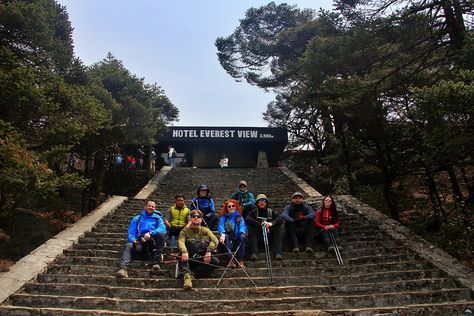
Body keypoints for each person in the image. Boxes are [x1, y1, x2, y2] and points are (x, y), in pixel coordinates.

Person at [116, 200, 166, 278]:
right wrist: (133, 240)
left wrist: (150, 233)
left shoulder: (158, 218)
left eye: (153, 206)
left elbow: (162, 229)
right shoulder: (137, 218)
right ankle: (123, 269)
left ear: (155, 208)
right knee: (129, 245)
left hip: (152, 244)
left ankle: (157, 261)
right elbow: (131, 232)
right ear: (145, 207)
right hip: (140, 243)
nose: (151, 208)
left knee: (161, 234)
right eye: (149, 206)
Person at [178, 209, 219, 290]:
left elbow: (215, 240)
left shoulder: (205, 230)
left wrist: (209, 251)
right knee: (181, 255)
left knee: (215, 261)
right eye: (194, 216)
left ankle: (192, 274)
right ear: (191, 219)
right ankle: (186, 277)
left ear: (201, 219)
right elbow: (180, 241)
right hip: (189, 257)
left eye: (198, 216)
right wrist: (184, 252)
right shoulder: (184, 231)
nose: (196, 218)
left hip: (202, 258)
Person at [245, 194, 284, 261]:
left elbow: (280, 219)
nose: (261, 203)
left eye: (263, 201)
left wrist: (271, 223)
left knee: (278, 228)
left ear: (266, 203)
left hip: (269, 237)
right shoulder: (254, 212)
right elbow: (247, 218)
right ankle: (254, 253)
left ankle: (278, 253)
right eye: (259, 202)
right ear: (257, 204)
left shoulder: (270, 212)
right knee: (251, 228)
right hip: (258, 238)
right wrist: (260, 224)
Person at [218, 199, 247, 268]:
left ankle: (240, 260)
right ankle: (230, 260)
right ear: (226, 208)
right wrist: (222, 233)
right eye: (229, 206)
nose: (231, 208)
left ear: (236, 207)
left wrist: (242, 232)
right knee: (225, 236)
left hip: (237, 239)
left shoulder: (239, 217)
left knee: (242, 237)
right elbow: (220, 226)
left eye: (233, 206)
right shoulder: (224, 217)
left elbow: (242, 226)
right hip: (228, 240)